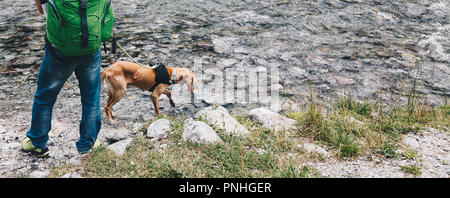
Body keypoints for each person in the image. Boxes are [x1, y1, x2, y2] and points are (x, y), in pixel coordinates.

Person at [22, 0, 114, 157]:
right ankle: (88, 143)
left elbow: (42, 11)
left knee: (45, 97)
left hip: (60, 52)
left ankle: (37, 142)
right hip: (90, 50)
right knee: (91, 98)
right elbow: (107, 17)